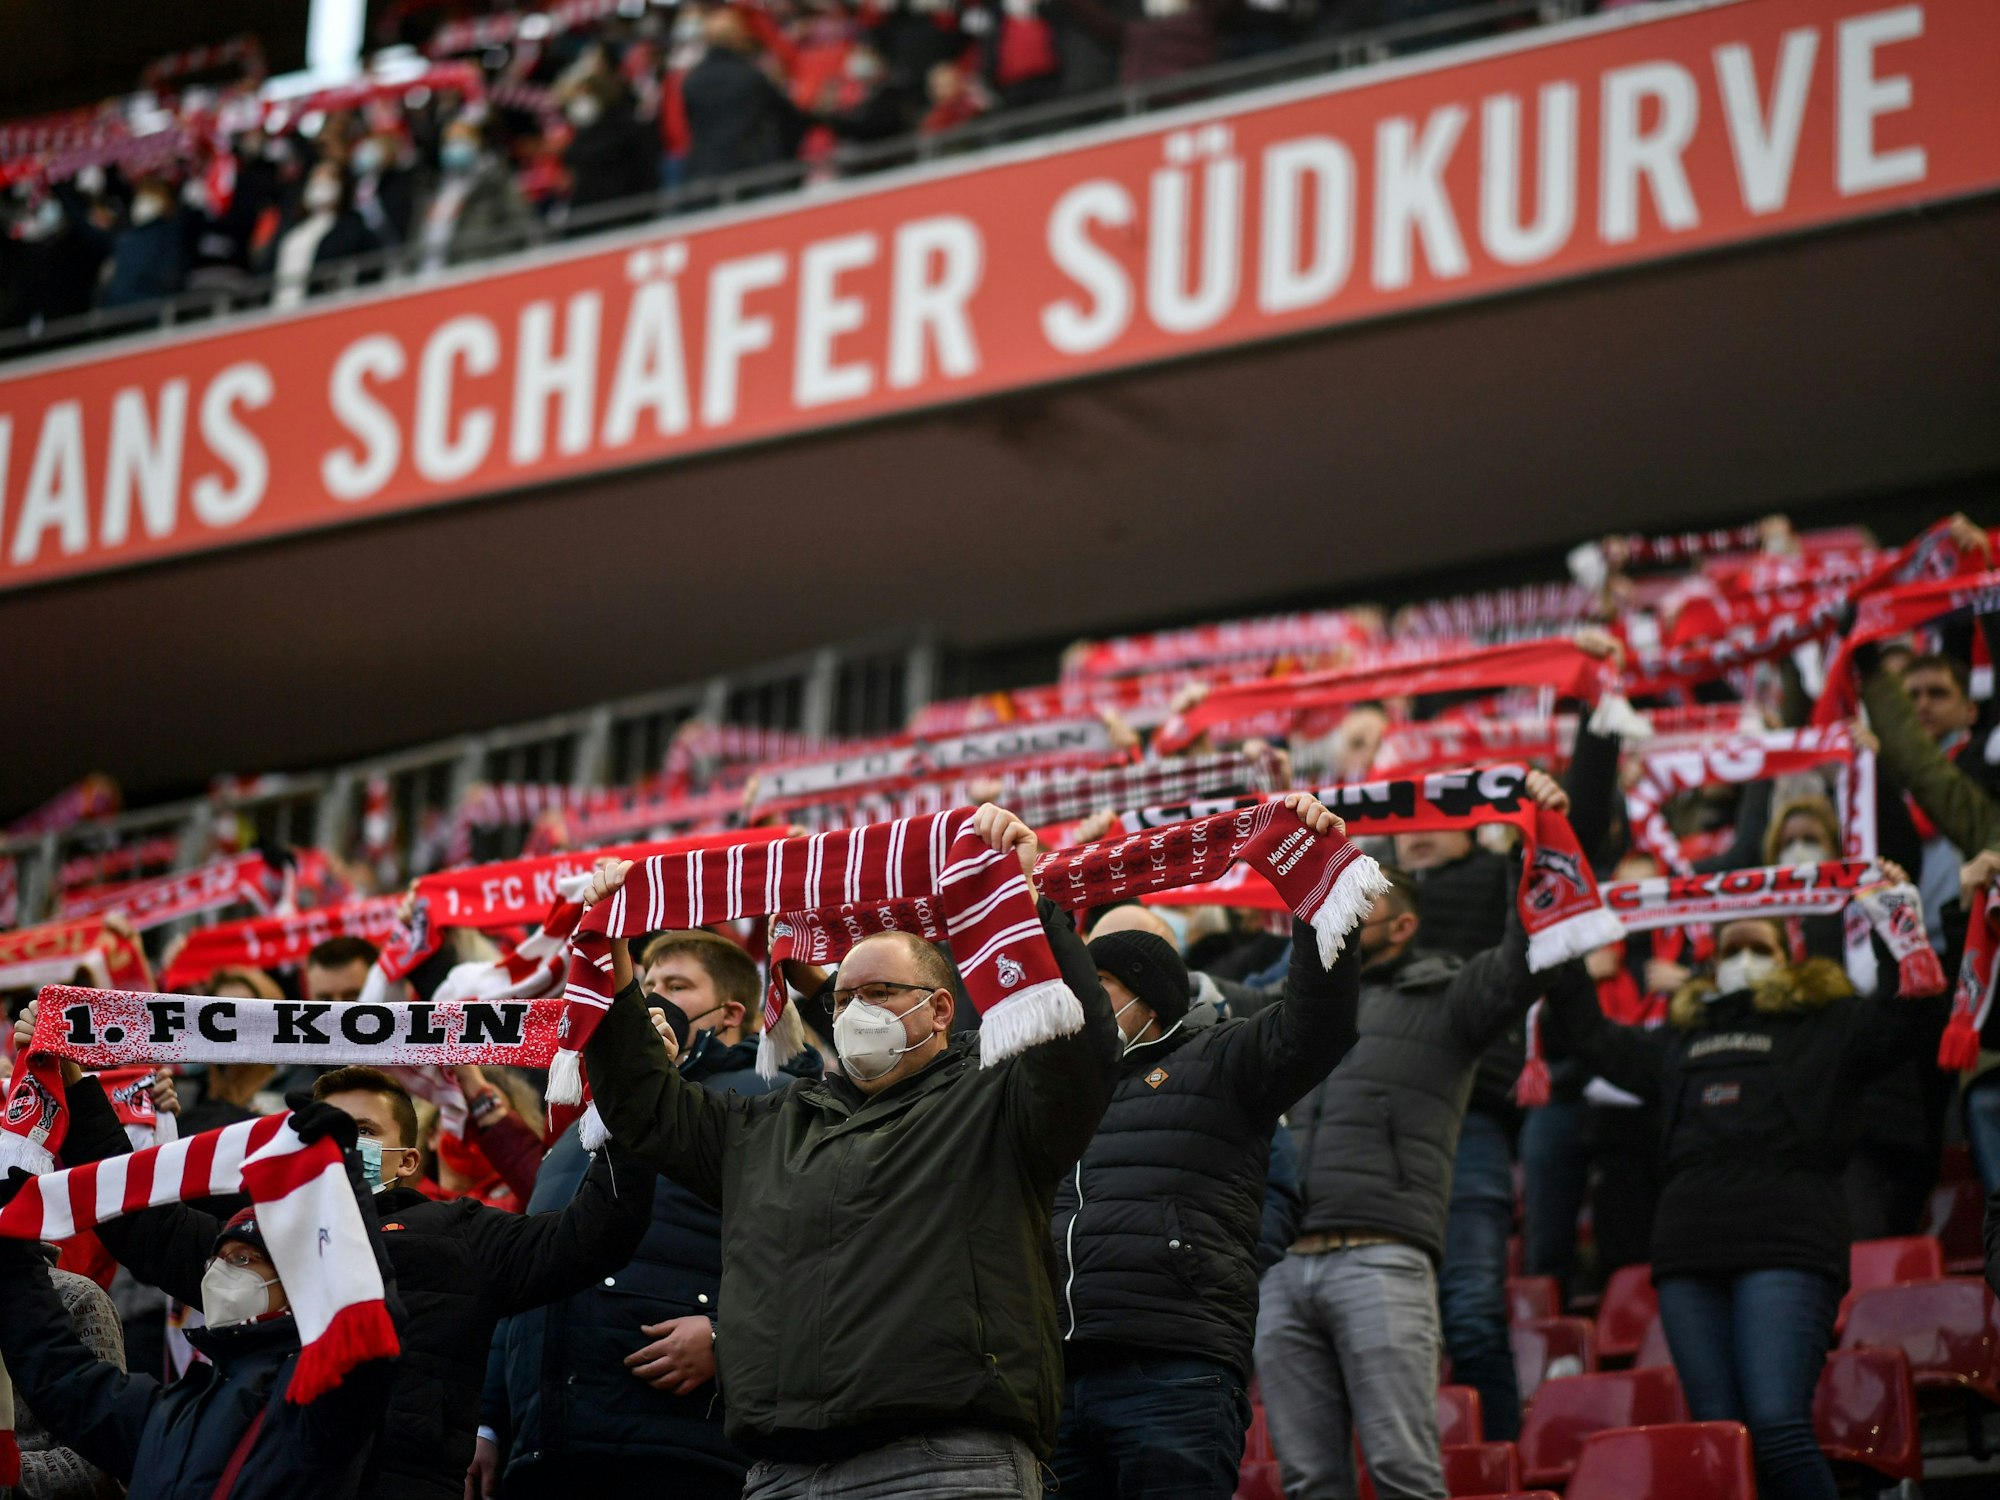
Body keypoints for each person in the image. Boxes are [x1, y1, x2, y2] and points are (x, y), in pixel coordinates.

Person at [576, 803, 1120, 1499]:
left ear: (940, 1009)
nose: (856, 1011)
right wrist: (615, 964)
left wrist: (1031, 910)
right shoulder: (767, 1127)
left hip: (943, 1462)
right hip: (781, 1472)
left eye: (880, 992)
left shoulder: (996, 1105)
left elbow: (1078, 1050)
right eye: (843, 999)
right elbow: (642, 1103)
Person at [18, 1026, 653, 1500]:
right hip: (269, 1472)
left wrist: (632, 1081)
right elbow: (143, 1224)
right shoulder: (259, 1233)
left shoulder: (465, 1233)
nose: (341, 1147)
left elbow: (594, 1234)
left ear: (409, 1160)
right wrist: (79, 1089)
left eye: (362, 1133)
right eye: (327, 1131)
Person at [1540, 897, 1940, 1500]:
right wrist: (1562, 946)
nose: (1744, 959)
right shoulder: (1681, 1036)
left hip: (1787, 1241)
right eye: (1731, 949)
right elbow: (1591, 1036)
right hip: (1688, 1253)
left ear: (1789, 958)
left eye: (1760, 948)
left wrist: (1893, 921)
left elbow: (1909, 1011)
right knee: (1722, 1440)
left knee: (1778, 1428)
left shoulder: (1828, 1024)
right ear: (1711, 964)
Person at [1255, 768, 1568, 1500]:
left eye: (1359, 903)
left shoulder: (1449, 998)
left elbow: (1529, 956)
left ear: (1402, 926)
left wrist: (1537, 845)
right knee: (1307, 1482)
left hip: (1383, 1255)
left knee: (1404, 1472)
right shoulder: (1289, 1008)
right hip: (1282, 1267)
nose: (1338, 912)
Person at [1050, 796, 1363, 1498]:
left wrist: (1319, 899)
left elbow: (1317, 1025)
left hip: (1174, 1368)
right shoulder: (1057, 1084)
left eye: (1099, 987)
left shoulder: (1222, 1059)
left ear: (1147, 996)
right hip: (1055, 1375)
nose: (1082, 1005)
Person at [480, 930, 818, 1500]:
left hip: (678, 1439)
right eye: (646, 985)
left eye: (677, 986)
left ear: (730, 1013)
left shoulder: (770, 1099)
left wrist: (728, 1339)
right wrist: (490, 1419)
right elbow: (529, 1269)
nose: (654, 998)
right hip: (546, 1440)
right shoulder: (583, 1121)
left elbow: (816, 1251)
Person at [0, 1102, 399, 1500]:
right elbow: (59, 1376)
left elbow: (370, 1331)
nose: (221, 1273)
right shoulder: (173, 1411)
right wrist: (16, 1250)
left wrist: (343, 1187)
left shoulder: (317, 1407)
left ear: (297, 1282)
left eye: (243, 1259)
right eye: (217, 1260)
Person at [680, 6, 802, 186]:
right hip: (750, 175)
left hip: (706, 175)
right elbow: (787, 115)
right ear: (737, 37)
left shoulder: (692, 82)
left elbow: (689, 127)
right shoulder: (749, 77)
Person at [415, 119, 534, 271]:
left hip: (479, 269)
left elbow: (523, 224)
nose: (454, 146)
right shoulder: (435, 188)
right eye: (449, 141)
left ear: (477, 142)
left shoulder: (495, 181)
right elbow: (417, 235)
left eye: (460, 139)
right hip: (431, 275)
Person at [269, 165, 381, 309]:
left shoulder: (351, 229)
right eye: (316, 179)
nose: (320, 185)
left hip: (320, 307)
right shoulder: (291, 230)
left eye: (328, 179)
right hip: (278, 310)